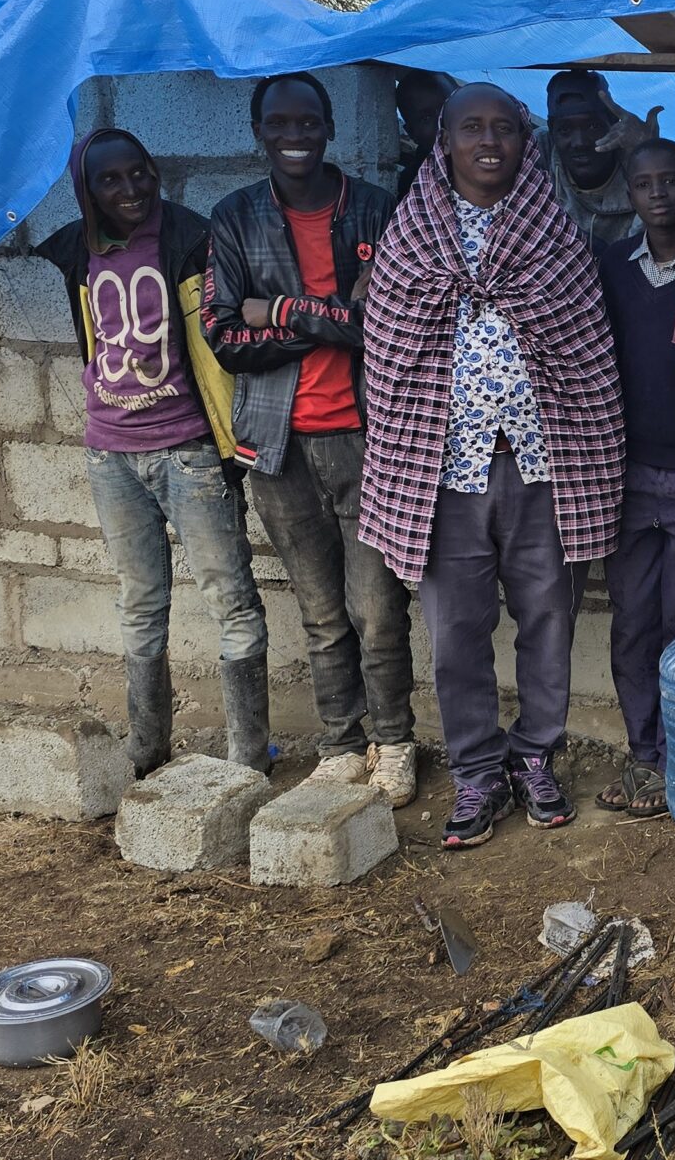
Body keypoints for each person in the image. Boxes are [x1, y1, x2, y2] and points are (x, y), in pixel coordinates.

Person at [358, 83, 625, 850]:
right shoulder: (412, 237)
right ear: (443, 141)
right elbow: (389, 354)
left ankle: (535, 755)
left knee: (548, 619)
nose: (488, 141)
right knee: (455, 632)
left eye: (503, 128)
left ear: (524, 140)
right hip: (445, 471)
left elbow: (586, 352)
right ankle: (477, 769)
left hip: (542, 466)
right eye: (471, 127)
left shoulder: (554, 233)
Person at [201, 72, 418, 807]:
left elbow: (389, 327)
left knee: (377, 610)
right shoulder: (235, 217)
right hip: (277, 445)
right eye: (279, 123)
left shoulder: (376, 210)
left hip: (371, 438)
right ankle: (342, 744)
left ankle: (395, 742)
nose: (294, 135)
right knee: (321, 613)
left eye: (307, 121)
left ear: (329, 127)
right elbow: (224, 336)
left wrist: (280, 310)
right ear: (258, 132)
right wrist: (327, 317)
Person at [34, 128, 271, 778]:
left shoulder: (190, 239)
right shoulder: (78, 251)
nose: (130, 187)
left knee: (231, 600)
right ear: (87, 189)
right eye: (110, 179)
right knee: (139, 604)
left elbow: (220, 335)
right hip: (109, 456)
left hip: (188, 450)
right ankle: (146, 751)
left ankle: (247, 760)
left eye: (138, 171)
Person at [592, 136, 675, 817]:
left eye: (670, 180)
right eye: (643, 183)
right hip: (628, 476)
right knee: (632, 622)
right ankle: (643, 755)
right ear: (628, 194)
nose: (657, 193)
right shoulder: (611, 267)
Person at [546, 69, 664, 244]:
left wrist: (649, 154)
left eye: (593, 126)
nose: (579, 142)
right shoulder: (539, 153)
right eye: (564, 130)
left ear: (613, 124)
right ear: (551, 131)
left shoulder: (636, 166)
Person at [393, 68, 455, 194]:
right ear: (411, 132)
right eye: (426, 118)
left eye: (448, 108)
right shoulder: (414, 185)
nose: (441, 121)